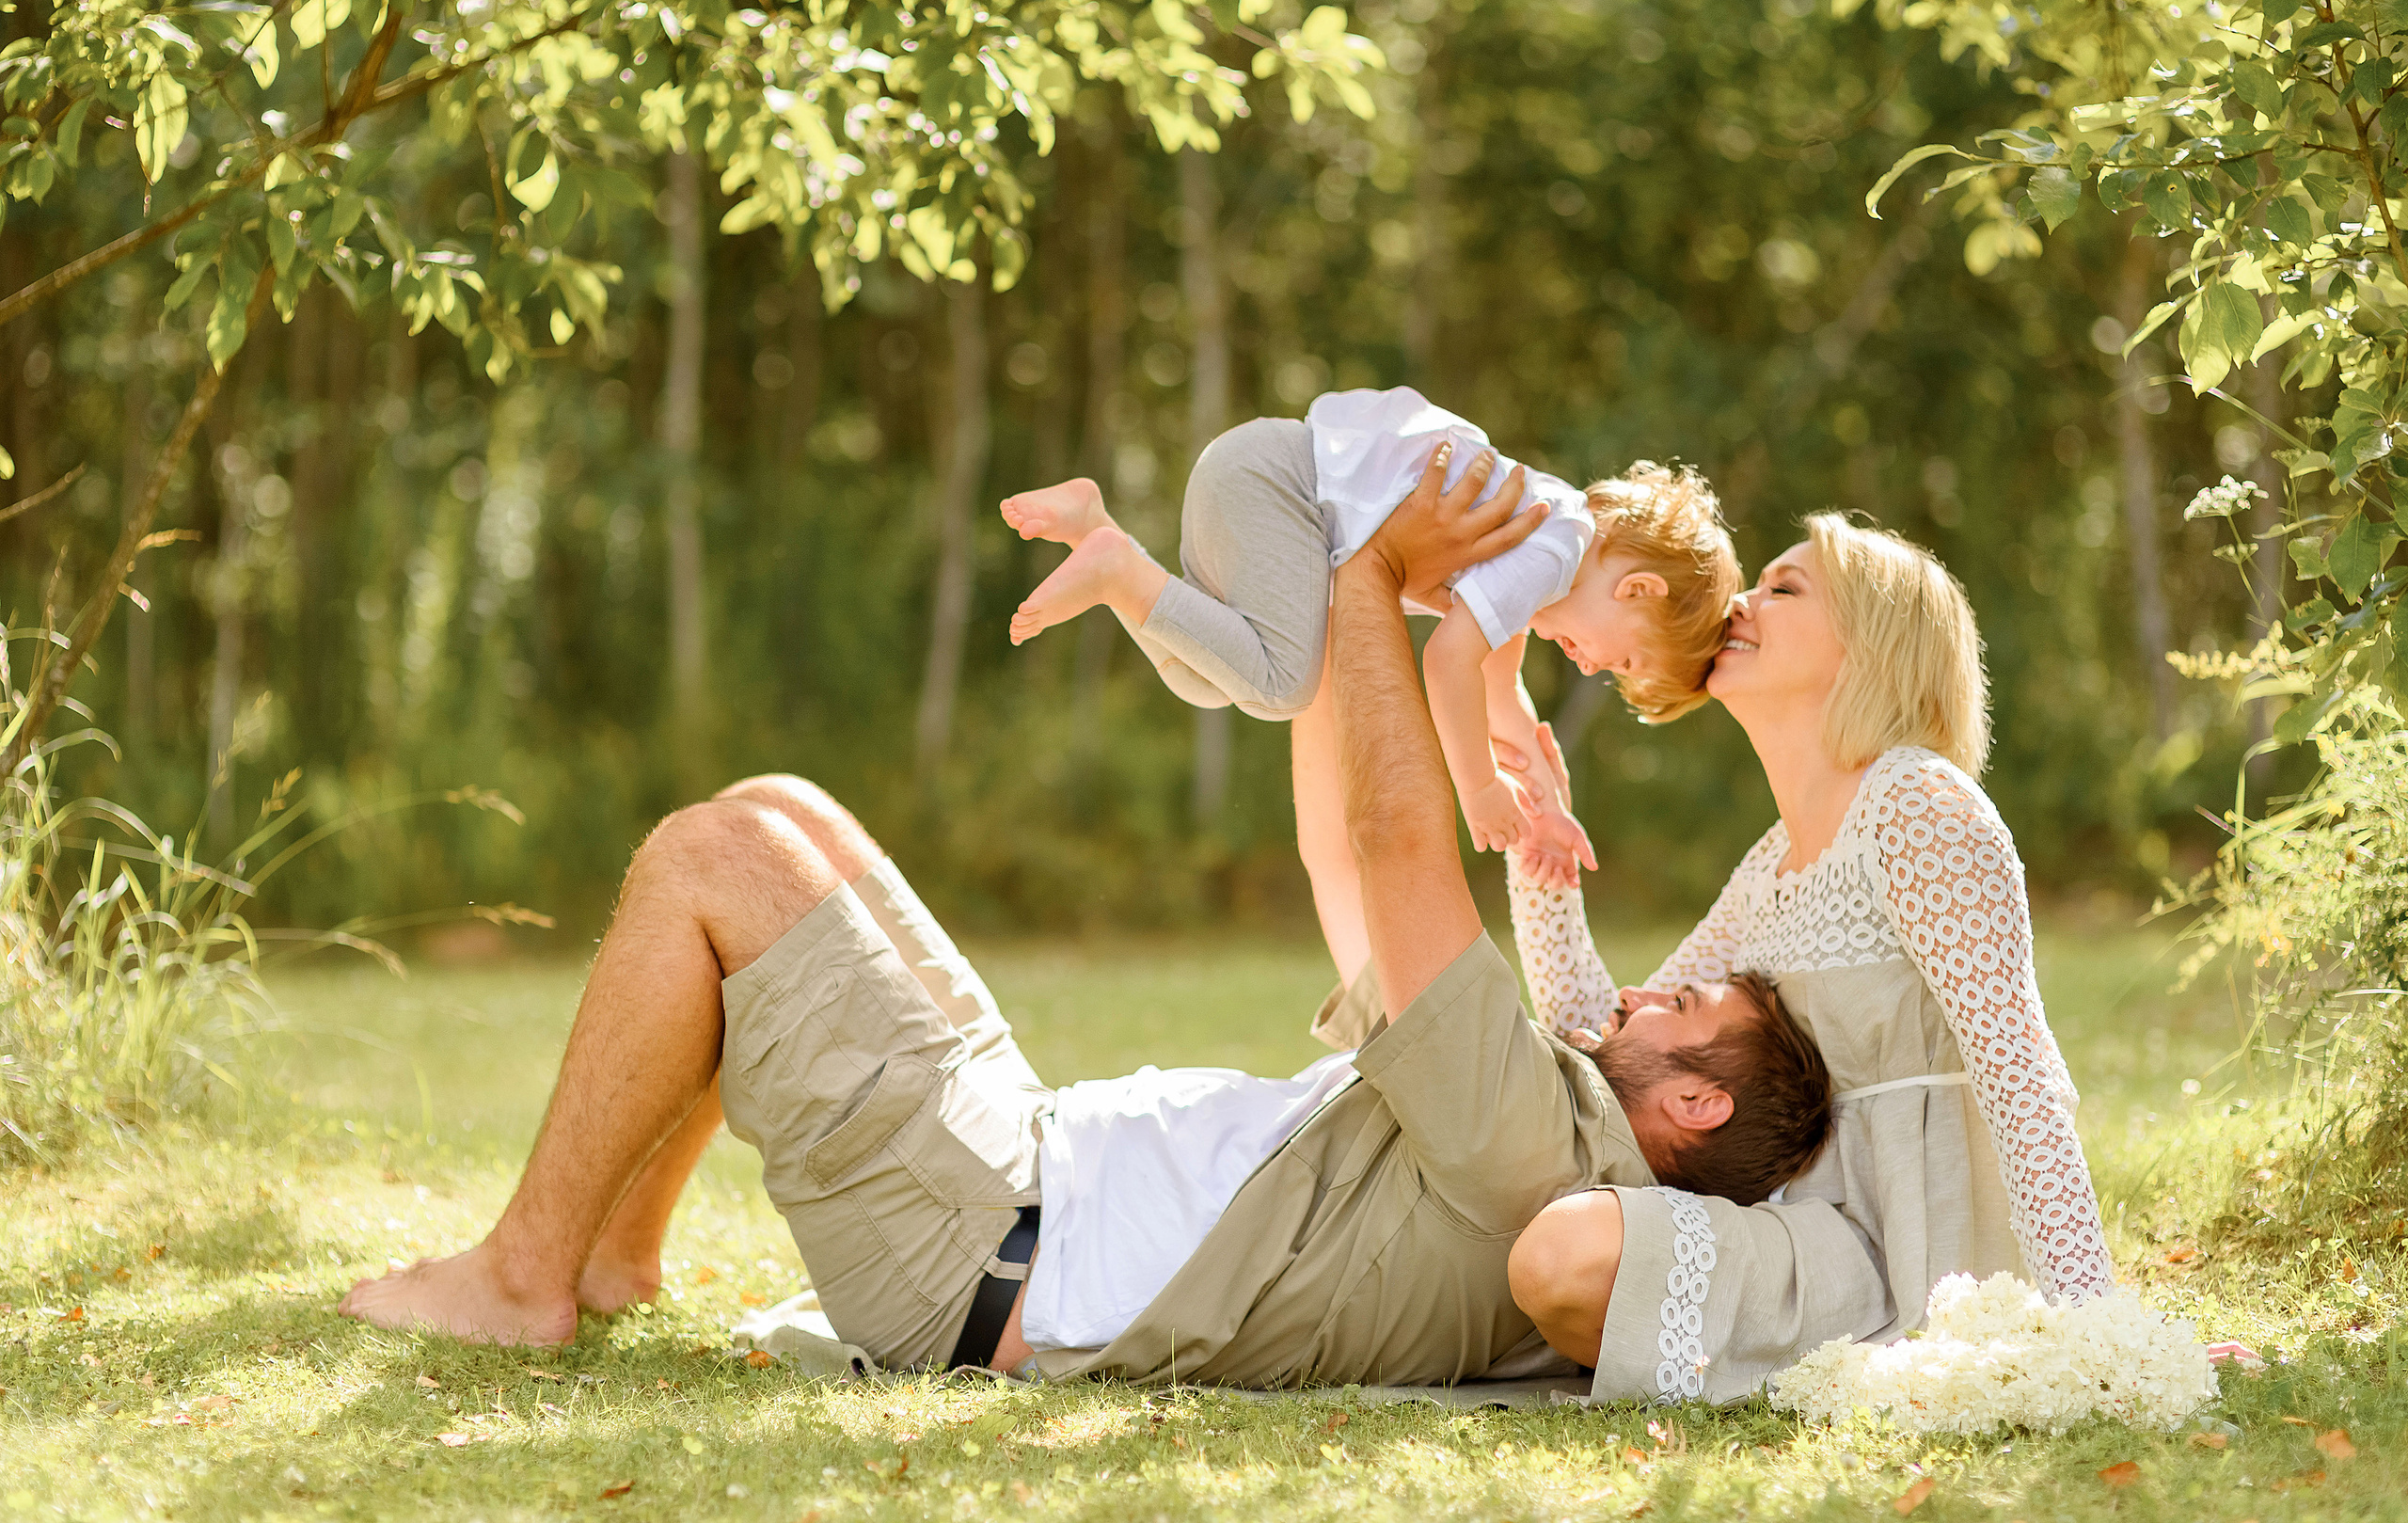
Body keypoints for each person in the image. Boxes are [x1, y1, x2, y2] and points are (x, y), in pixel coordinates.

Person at [337, 454, 1830, 1389]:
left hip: (981, 1246)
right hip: (1024, 1158)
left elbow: (1395, 837)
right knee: (779, 803)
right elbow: (1339, 848)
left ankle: (523, 1279)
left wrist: (1380, 571)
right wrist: (1360, 587)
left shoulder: (1543, 1144)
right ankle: (616, 1257)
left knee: (708, 860)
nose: (1647, 994)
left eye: (1686, 1014)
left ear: (1694, 1103)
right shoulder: (1521, 1108)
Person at [1501, 513, 2115, 1405]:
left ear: (1874, 648)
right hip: (1805, 1233)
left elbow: (2018, 1076)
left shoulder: (1918, 804)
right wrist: (1537, 840)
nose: (1739, 601)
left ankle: (1758, 1351)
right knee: (1561, 1251)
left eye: (1784, 588)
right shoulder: (1771, 862)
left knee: (1570, 1258)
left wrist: (2095, 1327)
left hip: (1913, 1248)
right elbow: (1617, 1040)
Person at [998, 389, 1740, 885]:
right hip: (1279, 485)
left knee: (1209, 679)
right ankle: (1116, 567)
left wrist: (1541, 804)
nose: (1598, 665)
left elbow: (1497, 691)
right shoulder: (1553, 550)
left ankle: (1101, 538)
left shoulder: (1547, 543)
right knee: (1286, 682)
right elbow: (1448, 660)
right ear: (1637, 589)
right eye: (1628, 659)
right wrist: (1476, 788)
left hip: (1256, 481)